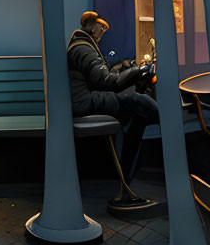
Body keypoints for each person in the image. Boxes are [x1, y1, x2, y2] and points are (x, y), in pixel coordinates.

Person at [67, 11, 158, 176]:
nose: (103, 32)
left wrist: (121, 68)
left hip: (82, 100)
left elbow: (99, 73)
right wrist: (138, 70)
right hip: (85, 103)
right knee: (136, 100)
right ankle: (125, 172)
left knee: (134, 102)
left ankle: (125, 171)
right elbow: (105, 81)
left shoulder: (81, 45)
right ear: (94, 27)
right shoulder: (83, 49)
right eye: (102, 28)